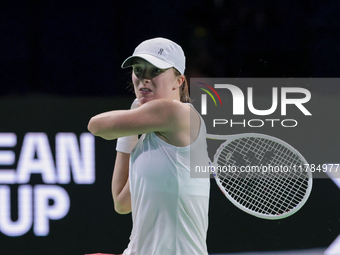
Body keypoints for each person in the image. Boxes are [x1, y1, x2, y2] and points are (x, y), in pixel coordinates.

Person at [87, 37, 210, 255]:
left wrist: (131, 117)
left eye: (155, 71)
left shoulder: (178, 113)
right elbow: (122, 203)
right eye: (138, 70)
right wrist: (130, 132)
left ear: (178, 81)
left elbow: (97, 126)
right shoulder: (148, 140)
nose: (144, 78)